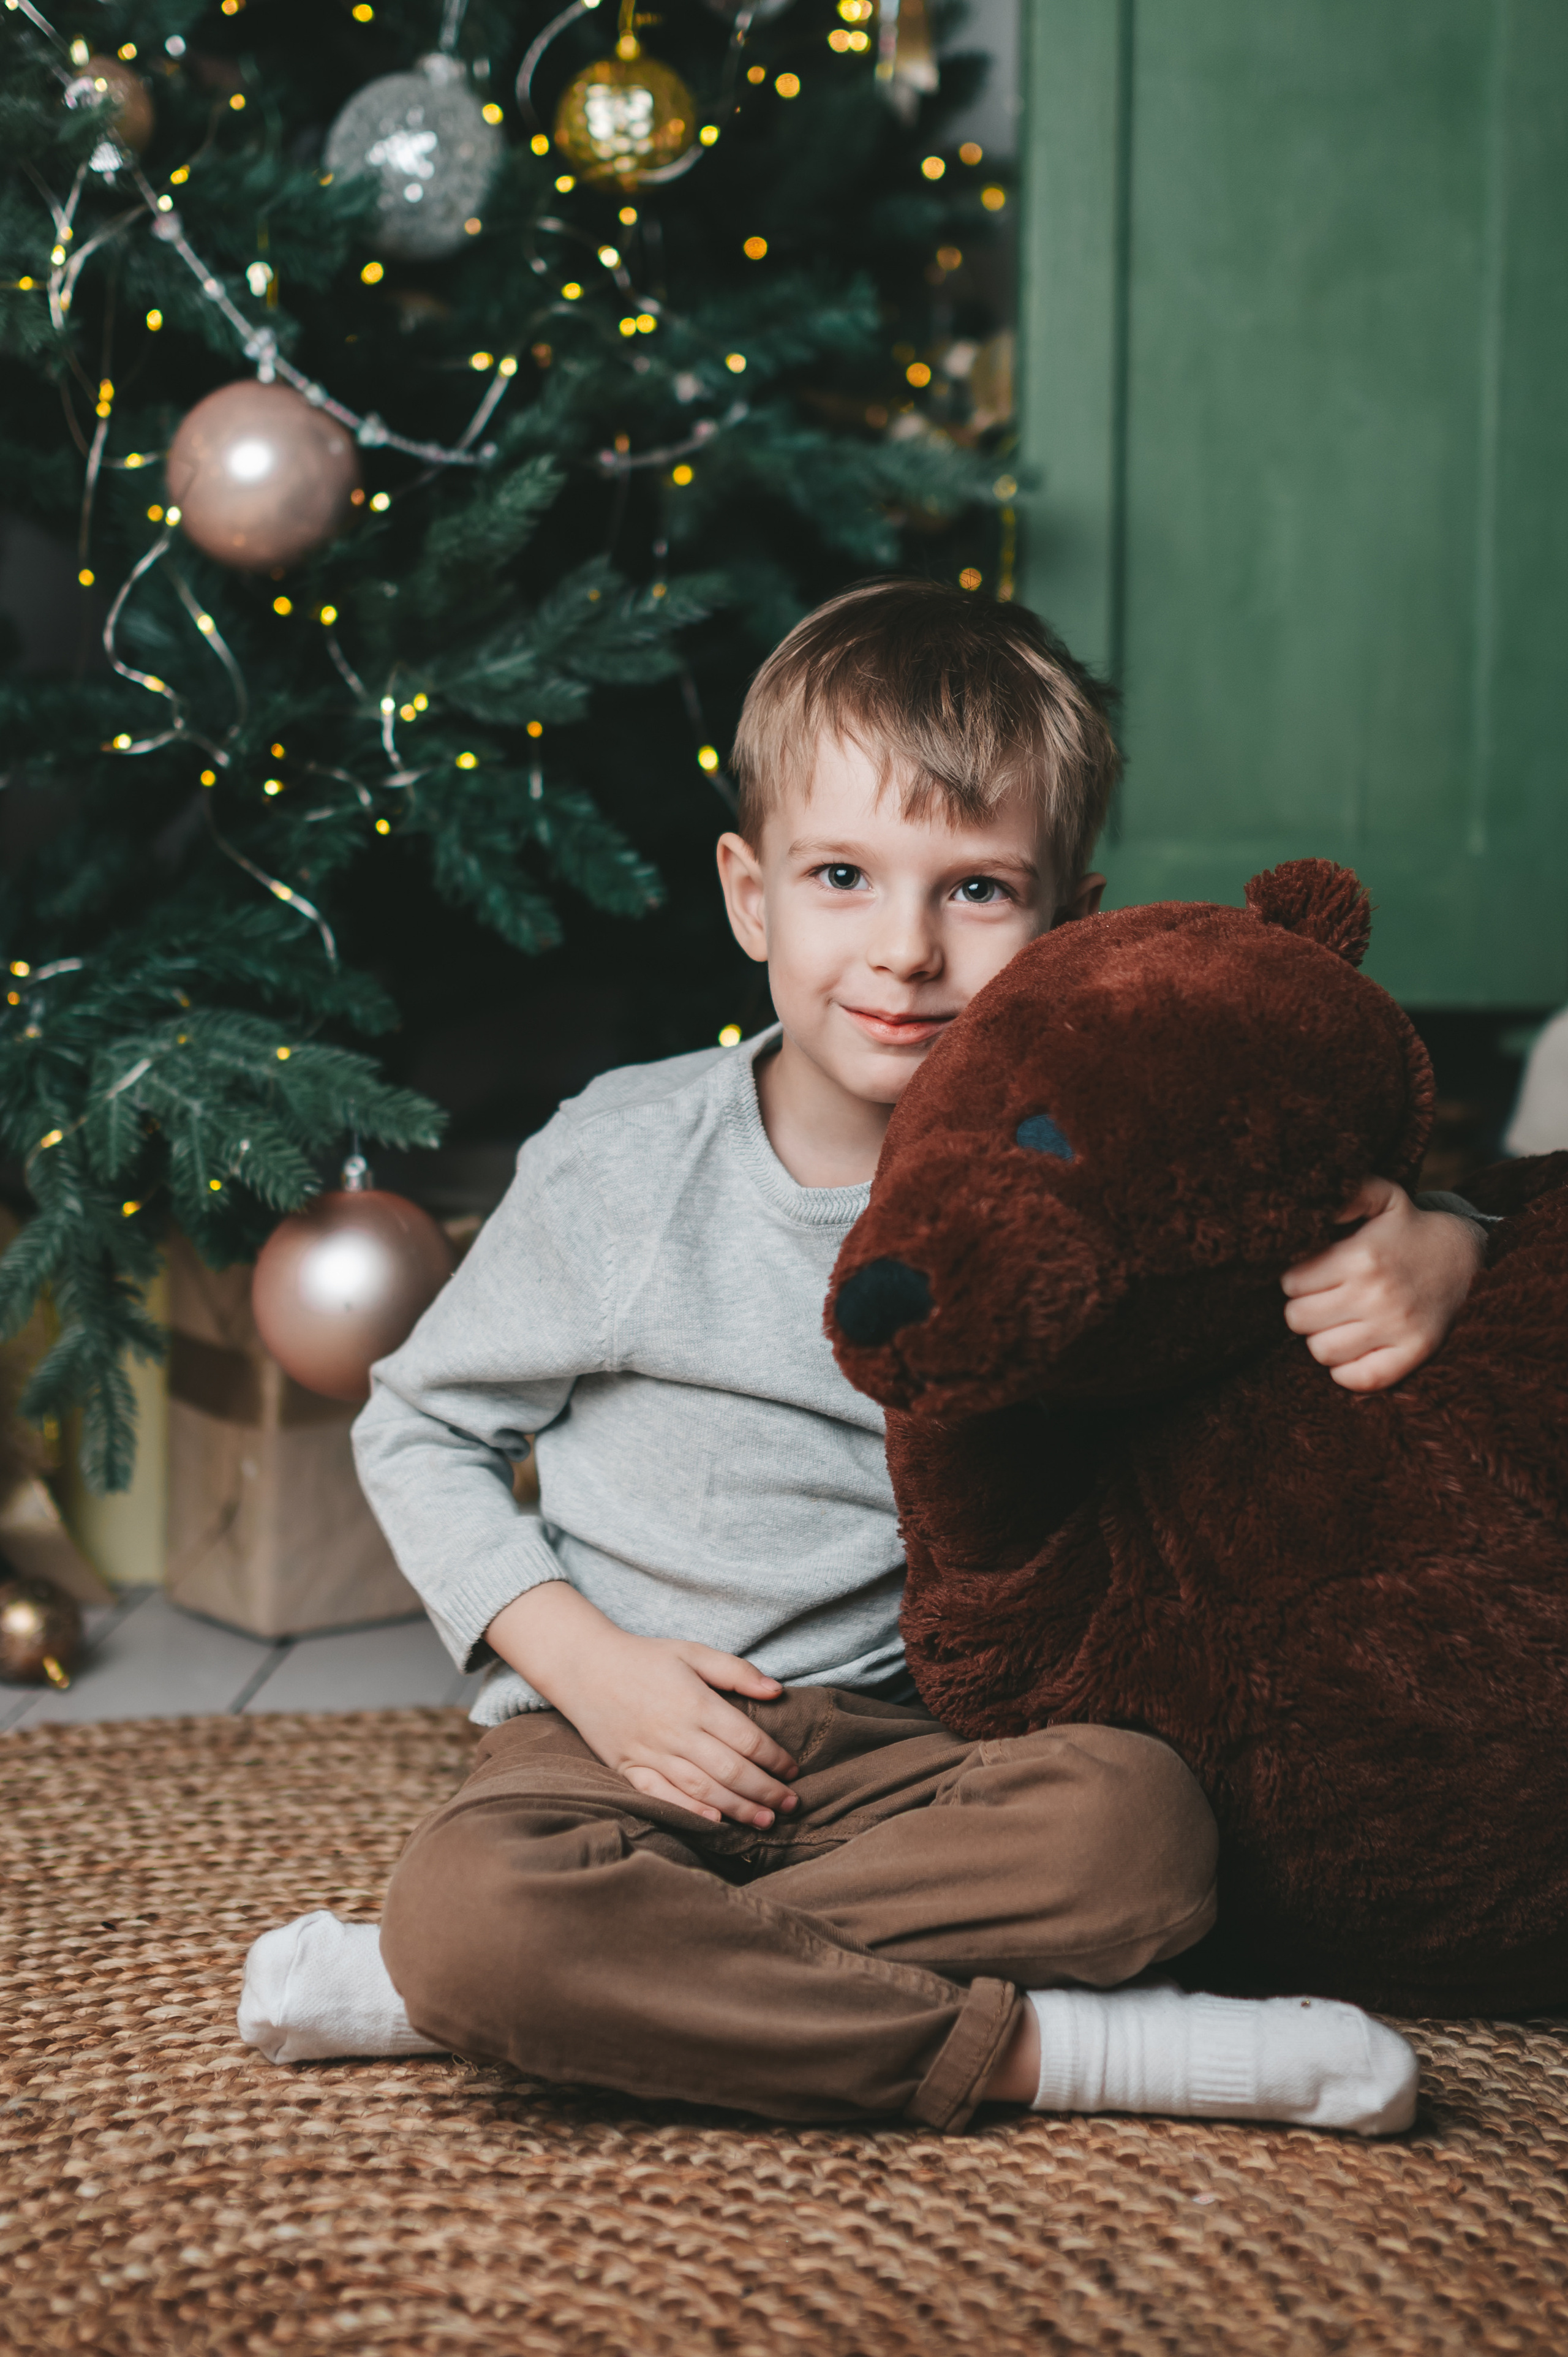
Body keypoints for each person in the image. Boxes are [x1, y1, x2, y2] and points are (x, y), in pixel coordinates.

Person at [348, 581, 1483, 2135]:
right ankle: (1062, 2056)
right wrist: (584, 1663)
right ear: (750, 896)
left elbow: (1299, 1187)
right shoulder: (626, 1167)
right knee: (481, 1903)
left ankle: (581, 1999)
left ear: (1069, 925)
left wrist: (1442, 1243)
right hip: (627, 1748)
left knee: (1144, 1836)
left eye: (975, 891)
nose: (903, 951)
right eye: (840, 875)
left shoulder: (1097, 1158)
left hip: (928, 1761)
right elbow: (416, 1429)